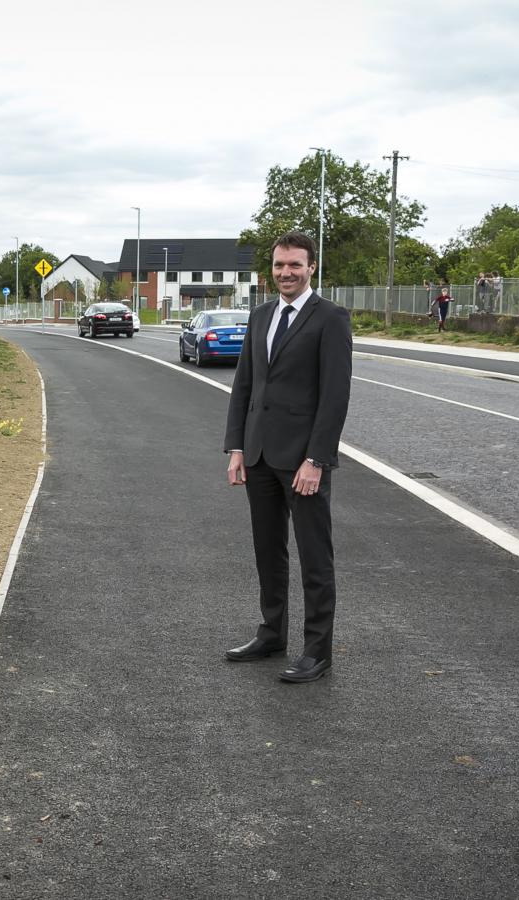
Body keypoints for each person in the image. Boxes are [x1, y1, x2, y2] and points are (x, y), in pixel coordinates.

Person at [222, 231, 352, 683]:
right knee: (268, 552)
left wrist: (317, 459)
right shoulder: (260, 316)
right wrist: (236, 448)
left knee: (315, 557)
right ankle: (271, 633)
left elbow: (335, 396)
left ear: (312, 267)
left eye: (295, 265)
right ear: (270, 270)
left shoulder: (330, 318)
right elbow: (245, 385)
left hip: (302, 463)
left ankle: (317, 650)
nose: (286, 273)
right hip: (258, 455)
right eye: (280, 265)